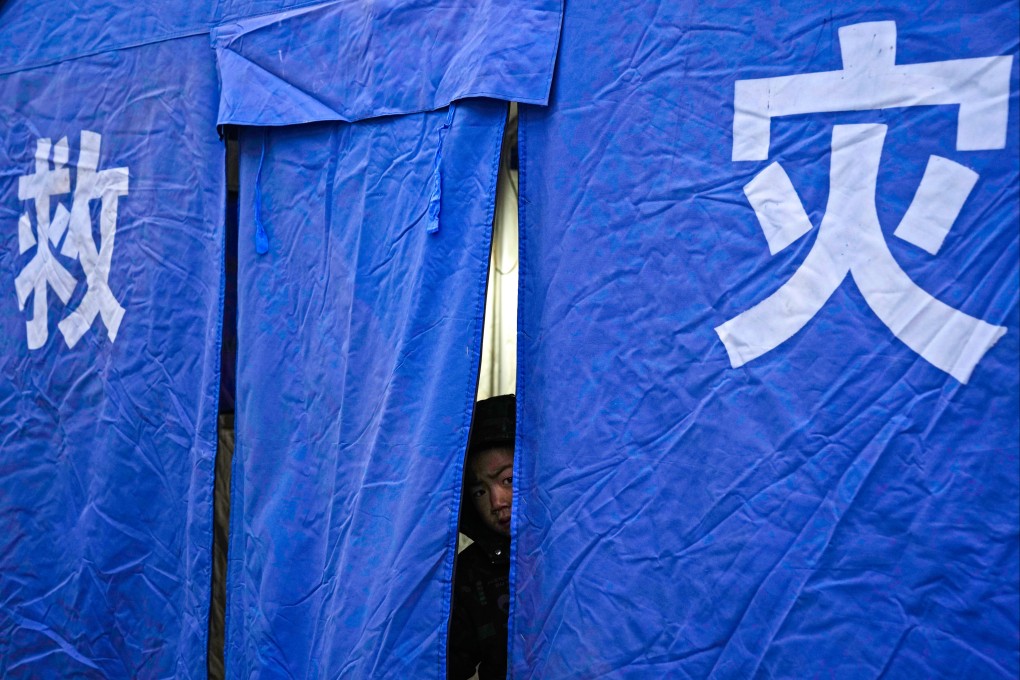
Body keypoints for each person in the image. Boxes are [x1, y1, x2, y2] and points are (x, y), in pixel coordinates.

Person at [448, 394, 516, 680]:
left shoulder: (580, 544)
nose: (497, 501)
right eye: (479, 491)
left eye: (508, 479)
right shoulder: (468, 574)